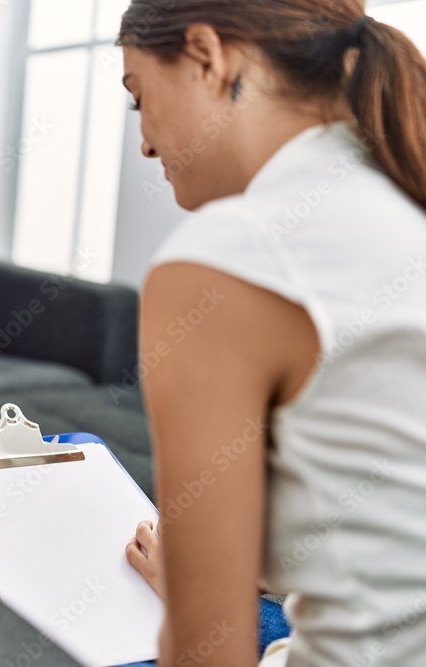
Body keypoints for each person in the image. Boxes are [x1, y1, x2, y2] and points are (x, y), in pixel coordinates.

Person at [115, 0, 426, 665]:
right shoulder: (404, 199)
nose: (144, 141)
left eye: (138, 97)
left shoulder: (232, 254)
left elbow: (208, 654)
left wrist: (194, 594)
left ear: (207, 57)